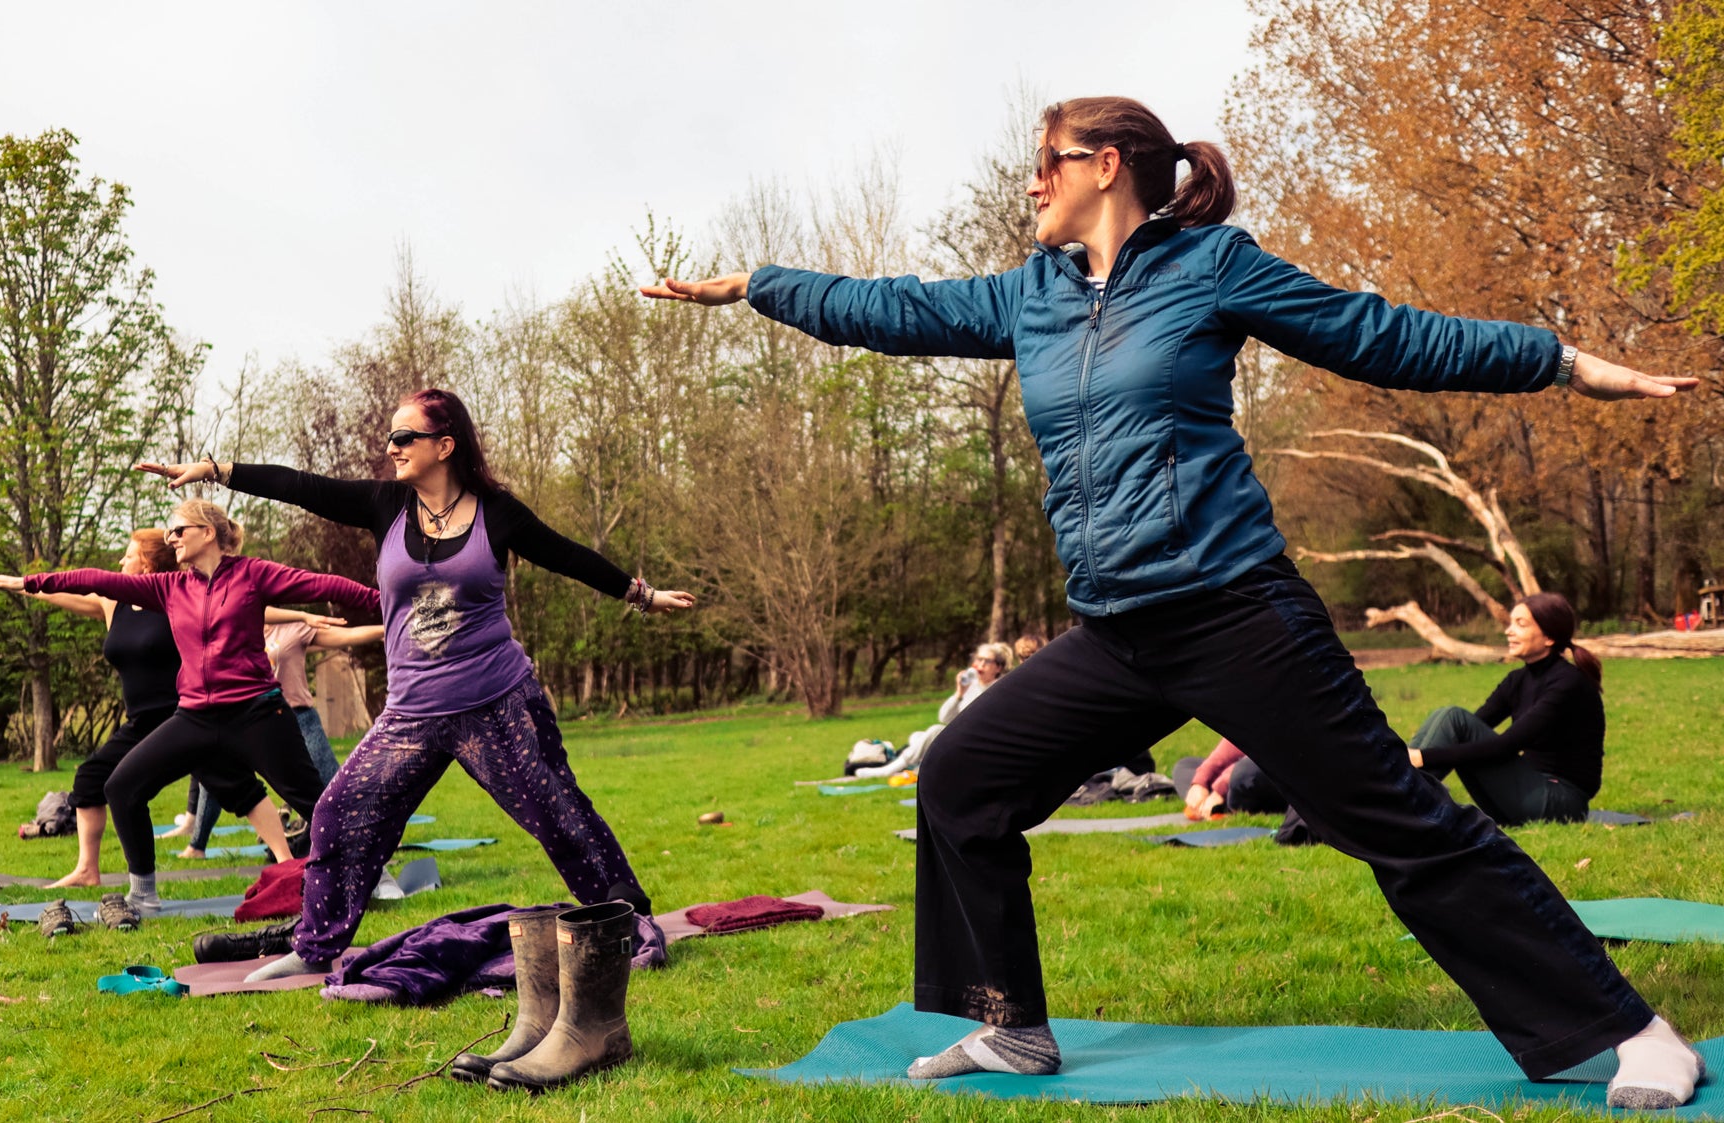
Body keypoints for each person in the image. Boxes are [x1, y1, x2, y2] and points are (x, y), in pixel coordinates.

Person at [640, 95, 1703, 1108]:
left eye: (1042, 163)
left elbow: (1379, 333)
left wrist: (1558, 361)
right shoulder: (1031, 294)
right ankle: (1007, 1021)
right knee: (961, 774)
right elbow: (893, 307)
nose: (1028, 185)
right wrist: (756, 286)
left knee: (1395, 819)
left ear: (1104, 167)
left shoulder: (1210, 268)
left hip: (1235, 612)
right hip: (1119, 631)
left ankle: (1628, 1032)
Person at [136, 389, 691, 1030]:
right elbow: (302, 487)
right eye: (391, 438)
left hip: (497, 704)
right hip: (411, 713)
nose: (391, 448)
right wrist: (217, 471)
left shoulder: (496, 513)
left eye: (404, 438)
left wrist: (640, 594)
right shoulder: (387, 505)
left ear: (444, 445)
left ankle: (624, 918)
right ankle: (314, 949)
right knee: (340, 815)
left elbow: (565, 554)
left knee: (558, 812)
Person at [0, 498, 379, 912]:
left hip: (256, 711)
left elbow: (325, 585)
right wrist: (26, 583)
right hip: (195, 716)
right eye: (169, 532)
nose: (171, 538)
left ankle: (378, 874)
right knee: (120, 787)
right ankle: (142, 894)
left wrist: (387, 604)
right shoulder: (170, 587)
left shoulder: (254, 575)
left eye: (179, 530)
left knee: (315, 800)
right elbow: (96, 580)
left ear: (208, 533)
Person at [0, 529, 329, 887]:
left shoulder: (175, 594)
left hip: (185, 716)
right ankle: (87, 870)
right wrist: (22, 586)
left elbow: (244, 601)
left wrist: (301, 617)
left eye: (128, 555)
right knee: (91, 779)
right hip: (142, 723)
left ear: (148, 562)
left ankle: (285, 861)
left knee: (237, 786)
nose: (121, 561)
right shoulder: (114, 603)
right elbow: (70, 591)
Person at [173, 619, 386, 859]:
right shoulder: (235, 624)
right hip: (249, 719)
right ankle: (196, 846)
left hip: (299, 717)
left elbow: (344, 635)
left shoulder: (295, 627)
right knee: (214, 780)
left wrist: (385, 628)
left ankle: (368, 839)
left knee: (330, 783)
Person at [1407, 594, 1603, 826]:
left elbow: (1506, 745)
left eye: (1521, 624)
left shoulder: (1568, 683)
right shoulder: (1517, 680)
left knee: (1452, 716)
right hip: (1526, 793)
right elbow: (1463, 729)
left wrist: (1422, 757)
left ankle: (1396, 794)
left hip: (1562, 802)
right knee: (1447, 716)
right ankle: (1396, 791)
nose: (1509, 631)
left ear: (1549, 637)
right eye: (1511, 623)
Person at [854, 642, 1013, 778]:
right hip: (962, 737)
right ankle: (918, 766)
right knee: (917, 737)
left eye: (987, 661)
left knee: (935, 731)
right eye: (979, 659)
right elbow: (944, 717)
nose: (981, 665)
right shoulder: (971, 686)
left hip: (980, 744)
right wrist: (959, 693)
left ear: (998, 668)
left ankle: (888, 770)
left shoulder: (999, 689)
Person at [1174, 738, 1289, 821]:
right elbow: (1235, 741)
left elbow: (1269, 750)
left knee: (1244, 772)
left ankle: (1220, 806)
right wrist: (1200, 782)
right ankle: (1216, 805)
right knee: (1185, 766)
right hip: (1240, 774)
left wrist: (1220, 787)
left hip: (1282, 773)